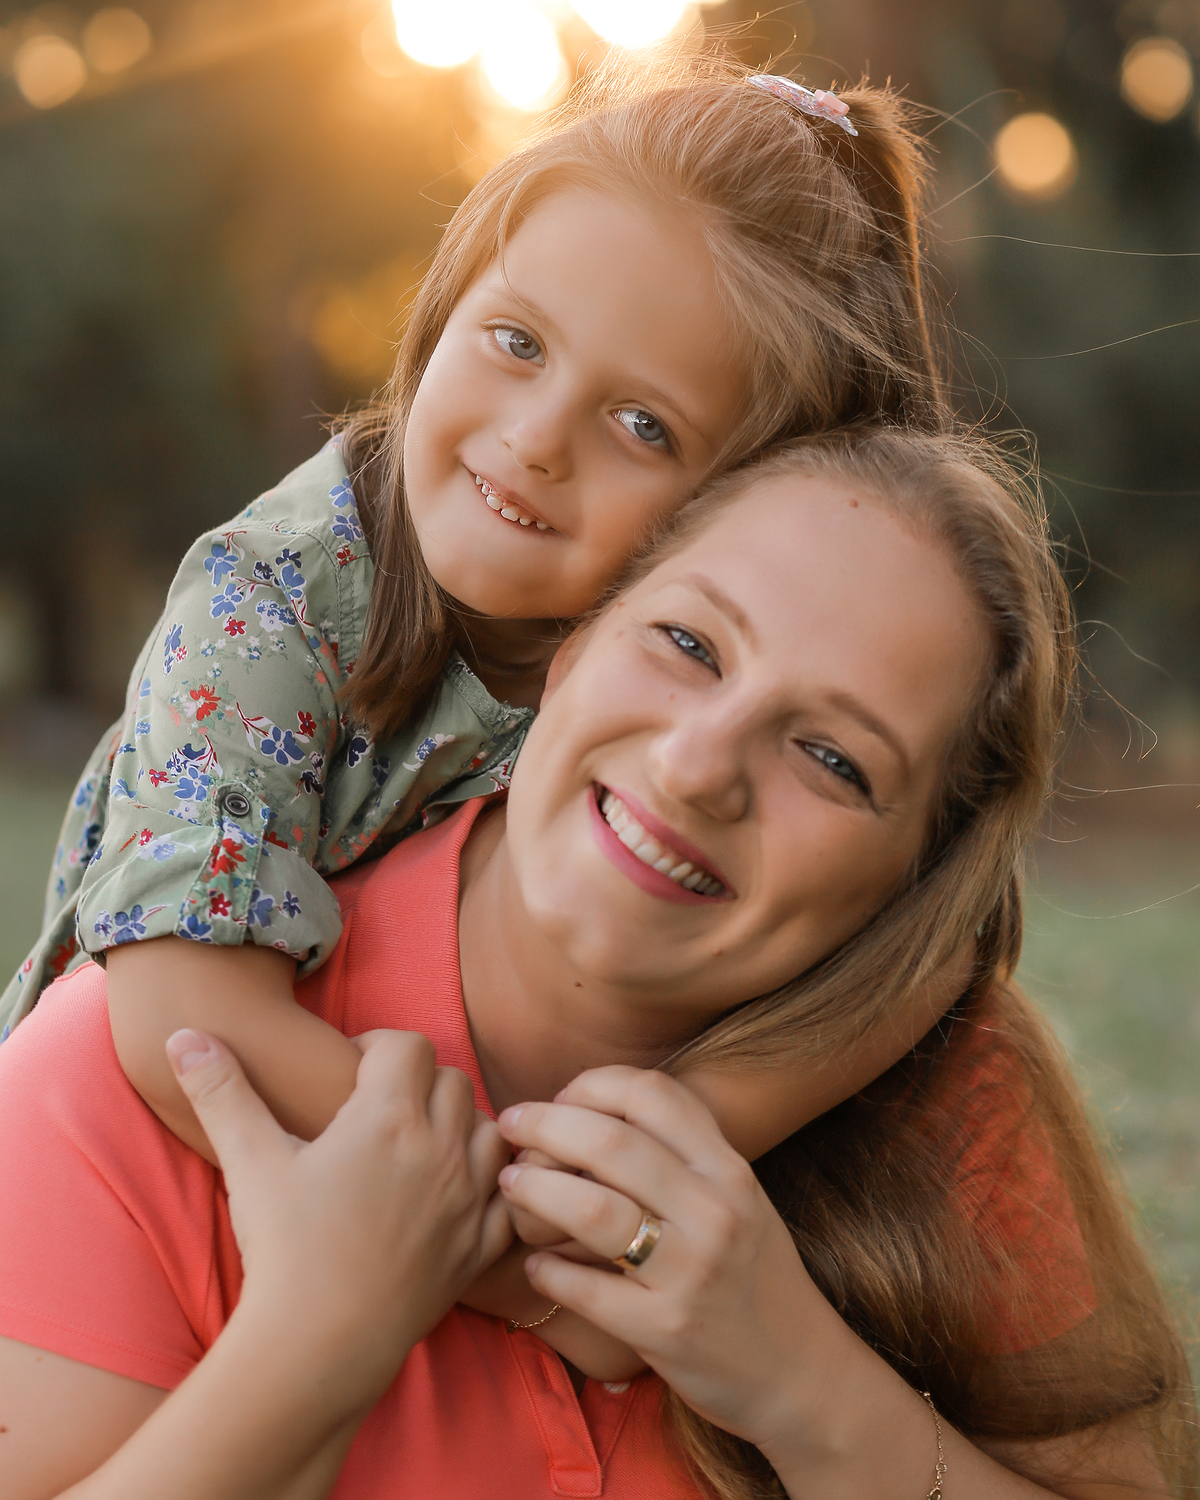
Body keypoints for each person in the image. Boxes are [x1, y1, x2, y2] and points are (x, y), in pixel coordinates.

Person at [0, 430, 1192, 1499]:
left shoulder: (954, 1101)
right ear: (571, 650)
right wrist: (311, 1351)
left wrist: (803, 1388)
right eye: (688, 644)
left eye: (834, 759)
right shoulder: (138, 1066)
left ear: (912, 883)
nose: (697, 766)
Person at [2, 60, 963, 1212]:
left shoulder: (699, 696)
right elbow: (184, 1025)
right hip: (111, 1190)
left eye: (643, 423)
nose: (537, 438)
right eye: (517, 341)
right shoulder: (272, 601)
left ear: (759, 507)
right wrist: (531, 1236)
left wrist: (692, 1132)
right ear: (447, 301)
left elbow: (938, 941)